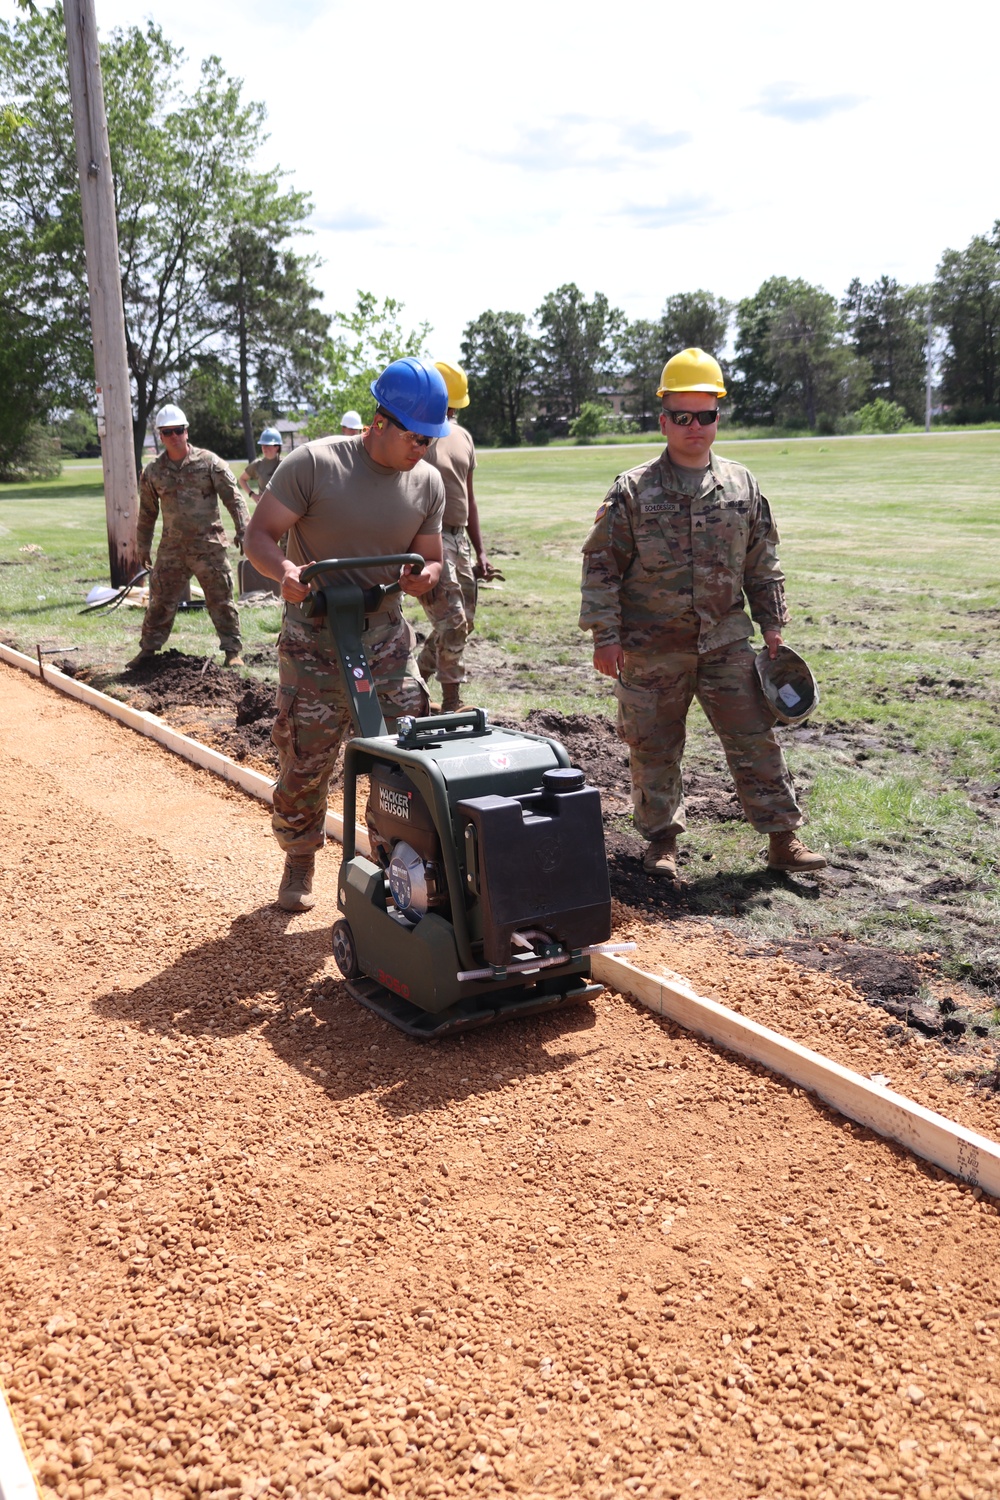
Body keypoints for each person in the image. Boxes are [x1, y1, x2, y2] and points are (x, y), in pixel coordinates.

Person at [579, 347, 826, 879]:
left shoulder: (742, 485)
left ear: (719, 415)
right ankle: (661, 843)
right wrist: (606, 635)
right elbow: (601, 567)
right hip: (651, 647)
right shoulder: (632, 490)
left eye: (706, 415)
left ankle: (783, 838)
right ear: (663, 419)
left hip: (727, 642)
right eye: (683, 416)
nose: (695, 426)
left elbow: (763, 561)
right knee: (653, 749)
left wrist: (773, 623)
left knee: (755, 738)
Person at [243, 358, 447, 911]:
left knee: (411, 750)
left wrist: (424, 576)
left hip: (385, 636)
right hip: (314, 636)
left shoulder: (428, 481)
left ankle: (404, 865)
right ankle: (300, 859)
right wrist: (282, 572)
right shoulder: (314, 464)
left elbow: (433, 561)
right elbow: (259, 535)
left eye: (432, 437)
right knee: (308, 755)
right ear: (380, 421)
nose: (423, 448)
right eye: (416, 435)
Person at [129, 405, 249, 669]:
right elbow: (147, 513)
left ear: (187, 431)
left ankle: (232, 652)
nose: (174, 436)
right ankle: (148, 651)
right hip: (172, 549)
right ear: (160, 435)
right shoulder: (153, 472)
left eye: (179, 430)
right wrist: (143, 546)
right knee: (159, 601)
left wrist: (243, 530)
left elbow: (235, 499)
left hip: (209, 547)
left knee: (221, 599)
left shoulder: (210, 463)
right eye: (168, 432)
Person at [417, 360, 495, 713]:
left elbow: (469, 497)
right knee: (453, 622)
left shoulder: (463, 436)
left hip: (459, 538)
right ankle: (451, 703)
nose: (450, 412)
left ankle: (413, 680)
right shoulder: (420, 434)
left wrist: (480, 551)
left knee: (464, 623)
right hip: (429, 536)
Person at [238, 427, 283, 503]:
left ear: (277, 447)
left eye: (267, 445)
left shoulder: (285, 463)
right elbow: (242, 480)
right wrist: (252, 495)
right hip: (264, 507)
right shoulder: (257, 464)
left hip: (283, 508)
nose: (264, 448)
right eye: (262, 445)